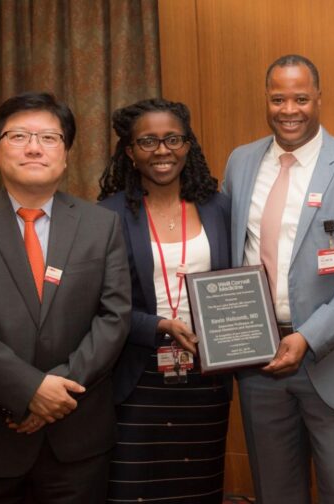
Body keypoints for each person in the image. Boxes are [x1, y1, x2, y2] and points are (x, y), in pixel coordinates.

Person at [0, 91, 131, 502]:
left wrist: (57, 392)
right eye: (19, 136)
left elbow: (114, 317)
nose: (34, 148)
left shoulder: (102, 226)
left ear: (66, 154)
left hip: (76, 439)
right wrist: (29, 390)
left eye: (49, 138)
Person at [222, 54, 334, 503]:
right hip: (258, 362)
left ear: (319, 98)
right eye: (278, 99)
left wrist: (309, 337)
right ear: (266, 100)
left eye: (300, 98)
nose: (289, 110)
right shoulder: (240, 163)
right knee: (275, 494)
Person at [98, 98, 232, 503]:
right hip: (138, 378)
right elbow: (101, 303)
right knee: (134, 491)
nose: (162, 150)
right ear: (130, 151)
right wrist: (157, 325)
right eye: (148, 141)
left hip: (206, 376)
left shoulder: (218, 208)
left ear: (188, 145)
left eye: (173, 139)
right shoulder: (107, 216)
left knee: (198, 488)